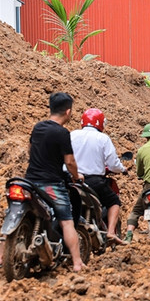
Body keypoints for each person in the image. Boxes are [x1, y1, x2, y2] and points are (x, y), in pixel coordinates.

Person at [25, 92, 85, 272]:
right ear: (68, 111)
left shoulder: (38, 127)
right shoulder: (62, 133)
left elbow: (30, 149)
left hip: (29, 182)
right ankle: (76, 263)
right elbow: (69, 162)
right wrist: (76, 176)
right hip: (51, 184)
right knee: (66, 222)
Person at [71, 108, 127, 245]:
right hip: (94, 182)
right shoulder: (103, 138)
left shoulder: (71, 135)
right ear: (101, 123)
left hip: (72, 180)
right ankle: (111, 232)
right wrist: (123, 169)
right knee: (114, 202)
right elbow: (113, 164)